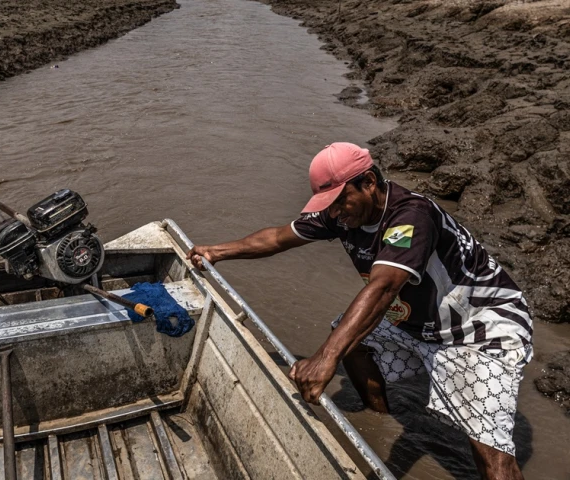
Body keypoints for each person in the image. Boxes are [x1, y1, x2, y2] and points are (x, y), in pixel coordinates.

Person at [186, 142, 533, 480]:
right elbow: (277, 238)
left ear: (368, 182)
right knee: (352, 343)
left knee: (489, 449)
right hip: (421, 320)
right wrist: (217, 252)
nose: (336, 212)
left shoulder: (411, 216)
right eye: (329, 205)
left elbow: (383, 288)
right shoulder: (341, 216)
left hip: (481, 325)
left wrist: (325, 358)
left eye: (341, 201)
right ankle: (377, 418)